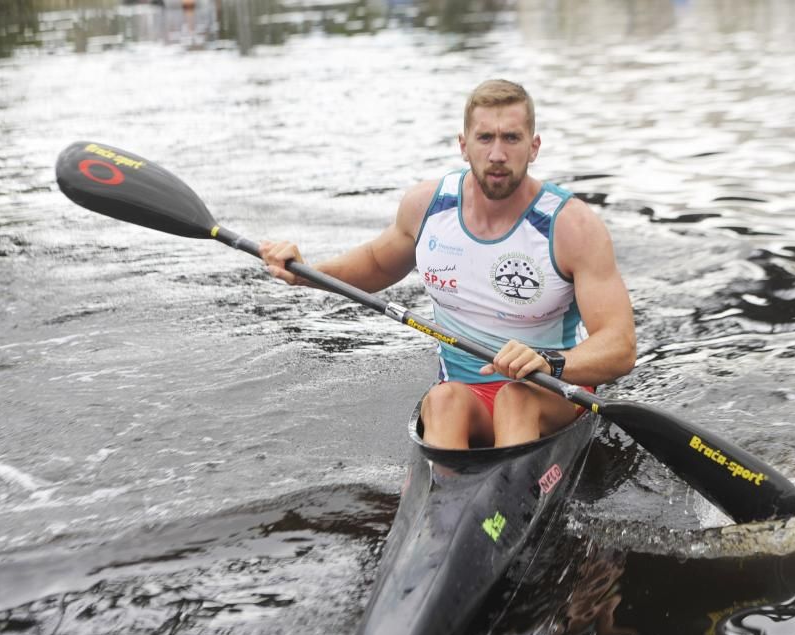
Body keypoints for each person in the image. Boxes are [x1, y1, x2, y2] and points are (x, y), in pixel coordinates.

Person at [260, 79, 635, 449]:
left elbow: (620, 346)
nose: (498, 154)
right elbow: (376, 263)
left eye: (511, 138)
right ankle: (449, 499)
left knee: (515, 398)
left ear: (533, 147)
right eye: (485, 138)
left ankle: (505, 505)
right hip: (464, 397)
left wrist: (549, 362)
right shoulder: (429, 206)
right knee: (440, 402)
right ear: (463, 145)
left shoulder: (572, 227)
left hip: (548, 393)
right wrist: (304, 273)